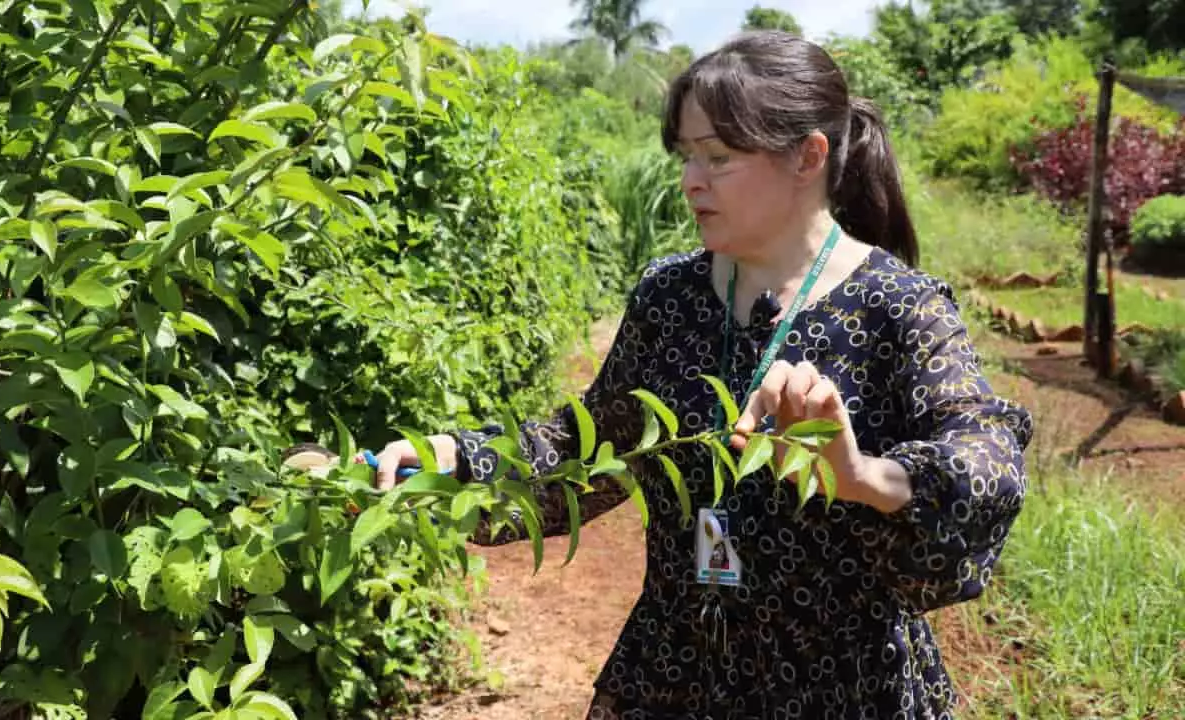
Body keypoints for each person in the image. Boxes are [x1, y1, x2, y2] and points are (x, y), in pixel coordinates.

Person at [365, 29, 1033, 720]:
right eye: (687, 156)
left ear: (808, 156)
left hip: (842, 688)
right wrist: (456, 459)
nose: (691, 180)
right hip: (676, 673)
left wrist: (865, 476)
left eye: (719, 157)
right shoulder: (669, 297)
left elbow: (983, 463)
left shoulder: (899, 307)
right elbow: (589, 449)